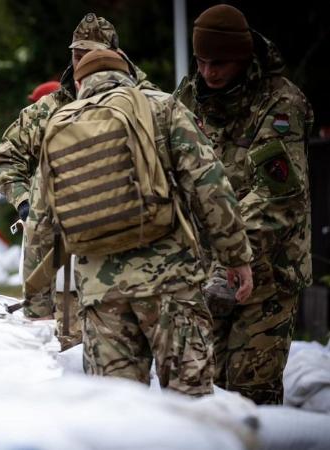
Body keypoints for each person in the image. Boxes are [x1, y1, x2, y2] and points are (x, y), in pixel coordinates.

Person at [46, 49, 253, 396]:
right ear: (128, 73)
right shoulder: (162, 107)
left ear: (79, 82)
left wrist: (39, 303)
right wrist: (236, 257)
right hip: (170, 282)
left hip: (100, 291)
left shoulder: (60, 122)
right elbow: (209, 185)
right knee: (191, 406)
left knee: (118, 412)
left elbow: (42, 217)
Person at [0, 13, 159, 344]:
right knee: (65, 352)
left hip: (132, 256)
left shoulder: (147, 104)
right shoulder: (48, 110)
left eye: (91, 52)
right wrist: (25, 203)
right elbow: (7, 159)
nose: (82, 60)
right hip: (59, 263)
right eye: (77, 52)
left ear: (116, 55)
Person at [175, 4, 313, 405]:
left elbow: (278, 195)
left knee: (251, 393)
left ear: (242, 56)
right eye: (201, 62)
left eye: (218, 63)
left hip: (268, 272)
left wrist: (231, 255)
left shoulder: (279, 104)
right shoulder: (187, 98)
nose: (208, 72)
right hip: (205, 272)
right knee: (203, 393)